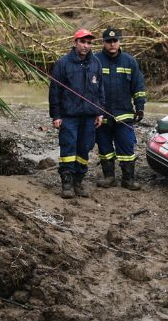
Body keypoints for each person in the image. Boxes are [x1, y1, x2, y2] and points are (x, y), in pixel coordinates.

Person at [49, 29, 104, 199]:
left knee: (84, 149)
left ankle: (78, 182)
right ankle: (66, 183)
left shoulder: (96, 63)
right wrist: (56, 116)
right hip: (69, 116)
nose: (86, 46)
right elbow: (54, 91)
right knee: (68, 147)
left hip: (89, 116)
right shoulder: (63, 63)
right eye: (82, 42)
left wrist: (99, 113)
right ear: (75, 43)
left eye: (89, 43)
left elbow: (100, 90)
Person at [94, 28, 146, 191]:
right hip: (101, 114)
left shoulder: (130, 61)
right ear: (103, 42)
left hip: (124, 114)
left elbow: (138, 86)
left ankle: (128, 179)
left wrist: (140, 107)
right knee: (104, 147)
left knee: (127, 148)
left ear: (119, 42)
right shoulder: (95, 60)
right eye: (109, 41)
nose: (112, 44)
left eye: (115, 41)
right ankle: (109, 177)